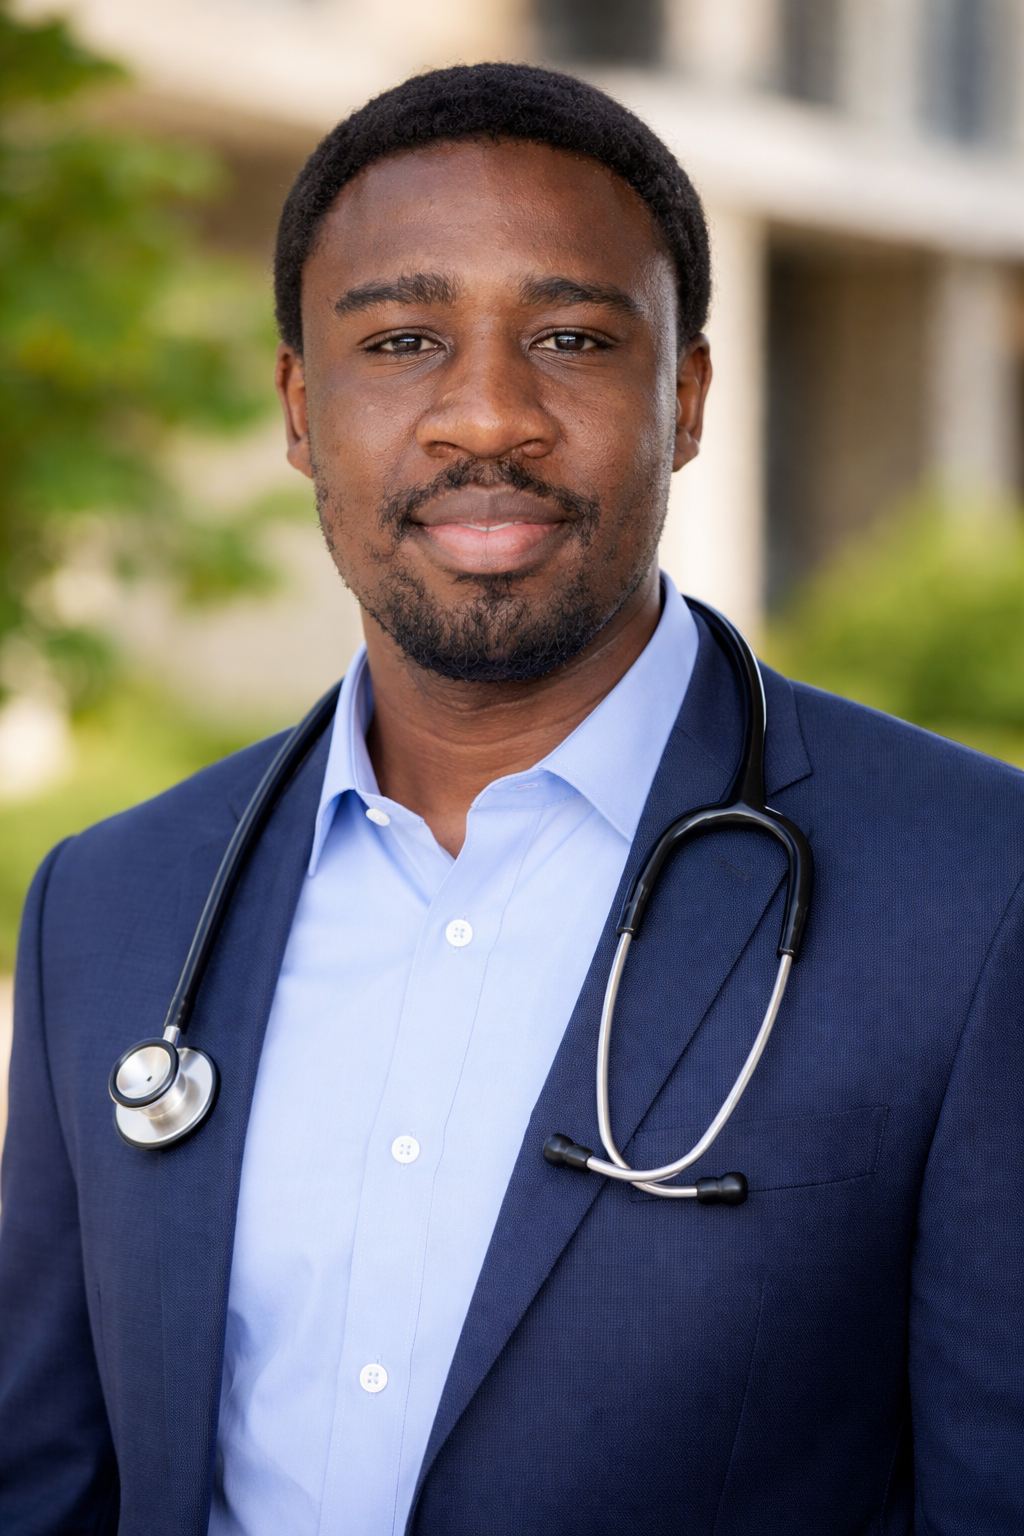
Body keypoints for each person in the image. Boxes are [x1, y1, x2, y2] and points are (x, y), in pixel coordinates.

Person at [0, 61, 1021, 1536]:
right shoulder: (111, 906)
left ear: (683, 398)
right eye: (404, 339)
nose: (488, 415)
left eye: (569, 337)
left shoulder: (977, 894)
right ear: (300, 407)